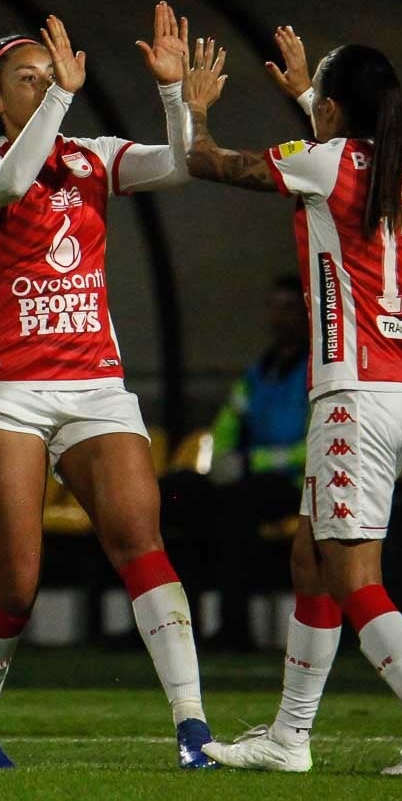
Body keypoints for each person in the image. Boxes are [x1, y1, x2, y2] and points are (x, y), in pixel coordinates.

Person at [0, 5, 218, 769]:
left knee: (142, 545)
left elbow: (184, 164)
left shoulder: (93, 158)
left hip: (95, 386)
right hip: (5, 393)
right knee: (18, 583)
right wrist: (62, 95)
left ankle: (193, 727)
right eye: (29, 79)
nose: (48, 84)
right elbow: (18, 176)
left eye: (50, 75)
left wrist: (172, 97)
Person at [180, 27, 402, 775]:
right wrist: (312, 92)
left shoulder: (328, 161)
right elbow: (343, 147)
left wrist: (193, 108)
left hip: (355, 395)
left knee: (352, 577)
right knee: (310, 560)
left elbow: (206, 162)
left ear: (337, 110)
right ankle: (289, 736)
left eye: (323, 105)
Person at [159, 274, 310, 648]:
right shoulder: (259, 371)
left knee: (234, 508)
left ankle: (234, 627)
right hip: (246, 479)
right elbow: (229, 420)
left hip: (293, 483)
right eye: (274, 307)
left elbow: (315, 445)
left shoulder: (317, 372)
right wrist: (224, 460)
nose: (278, 317)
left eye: (289, 308)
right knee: (173, 492)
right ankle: (167, 625)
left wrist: (250, 462)